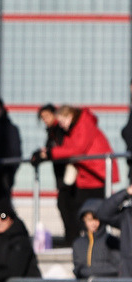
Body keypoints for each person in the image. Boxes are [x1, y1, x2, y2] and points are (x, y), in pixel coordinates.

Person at [36, 105, 120, 248]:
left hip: (97, 175)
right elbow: (68, 148)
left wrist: (51, 153)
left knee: (98, 211)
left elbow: (77, 149)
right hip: (85, 176)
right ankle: (80, 241)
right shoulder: (71, 130)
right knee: (76, 209)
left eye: (62, 122)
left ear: (69, 117)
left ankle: (101, 242)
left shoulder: (84, 124)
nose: (61, 126)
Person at [34, 103, 78, 248]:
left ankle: (73, 239)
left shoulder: (61, 130)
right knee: (64, 204)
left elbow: (63, 150)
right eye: (42, 118)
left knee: (67, 205)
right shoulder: (52, 132)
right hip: (61, 175)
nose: (45, 120)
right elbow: (49, 151)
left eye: (47, 116)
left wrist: (46, 153)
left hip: (70, 175)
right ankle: (71, 238)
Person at [71, 199, 120, 282]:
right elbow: (78, 268)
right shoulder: (78, 244)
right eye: (89, 219)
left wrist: (91, 271)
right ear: (84, 219)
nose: (93, 223)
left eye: (96, 219)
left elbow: (118, 267)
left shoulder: (111, 240)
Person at [0, 96, 22, 204]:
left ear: (1, 111)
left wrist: (10, 173)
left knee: (3, 210)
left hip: (4, 176)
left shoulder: (10, 129)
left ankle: (3, 219)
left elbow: (16, 152)